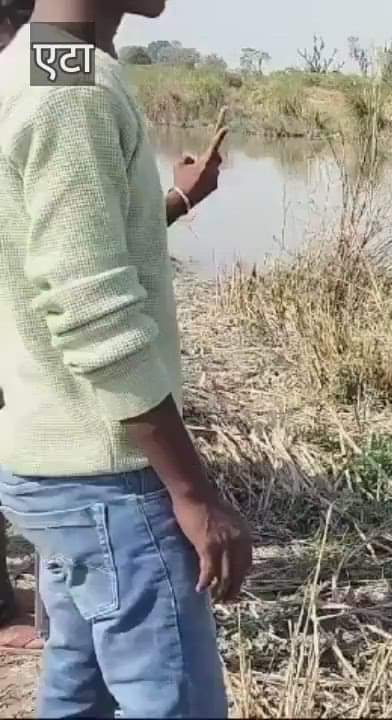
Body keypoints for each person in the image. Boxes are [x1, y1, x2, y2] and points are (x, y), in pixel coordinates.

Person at [0, 2, 250, 717]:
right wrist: (193, 493)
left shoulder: (43, 65)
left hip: (56, 462)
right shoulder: (70, 91)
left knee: (78, 691)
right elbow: (91, 311)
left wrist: (171, 199)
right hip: (106, 476)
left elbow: (71, 248)